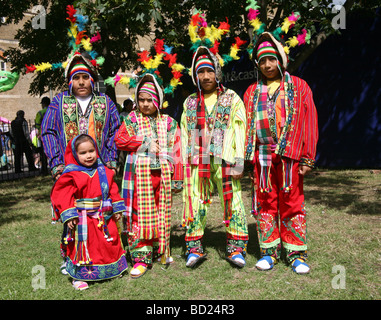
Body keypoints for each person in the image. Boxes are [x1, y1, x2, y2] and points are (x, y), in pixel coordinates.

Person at [244, 32, 319, 274]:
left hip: (290, 156)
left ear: (281, 59)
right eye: (262, 61)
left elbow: (309, 122)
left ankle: (296, 254)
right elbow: (246, 125)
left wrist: (308, 156)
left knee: (292, 203)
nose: (267, 65)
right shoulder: (252, 92)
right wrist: (248, 160)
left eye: (271, 59)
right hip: (263, 157)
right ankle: (269, 252)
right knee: (265, 203)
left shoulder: (300, 86)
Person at [41, 52, 121, 273]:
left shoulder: (105, 102)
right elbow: (47, 131)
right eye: (76, 78)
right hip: (70, 170)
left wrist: (112, 160)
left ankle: (104, 256)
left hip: (100, 170)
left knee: (101, 214)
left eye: (85, 77)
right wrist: (57, 164)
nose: (81, 82)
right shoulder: (59, 102)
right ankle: (71, 257)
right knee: (72, 214)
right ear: (70, 81)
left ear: (92, 79)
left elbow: (115, 130)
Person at [180, 46, 249, 268]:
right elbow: (183, 133)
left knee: (233, 201)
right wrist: (183, 164)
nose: (206, 76)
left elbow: (240, 129)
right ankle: (193, 247)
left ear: (217, 73)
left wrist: (239, 161)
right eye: (201, 72)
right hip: (197, 161)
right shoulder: (190, 101)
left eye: (210, 71)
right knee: (194, 200)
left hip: (225, 158)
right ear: (195, 76)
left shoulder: (231, 98)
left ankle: (236, 247)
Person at [115, 73, 183, 278]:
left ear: (158, 100)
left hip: (161, 176)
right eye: (141, 100)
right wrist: (144, 142)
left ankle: (160, 250)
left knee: (161, 212)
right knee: (139, 214)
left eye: (149, 100)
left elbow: (178, 149)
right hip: (140, 177)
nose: (145, 104)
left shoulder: (170, 123)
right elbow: (120, 140)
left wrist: (177, 177)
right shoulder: (133, 119)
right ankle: (141, 256)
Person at [51, 134, 128, 290]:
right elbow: (63, 195)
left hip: (104, 216)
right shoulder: (70, 174)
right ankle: (79, 276)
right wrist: (69, 214)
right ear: (74, 154)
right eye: (83, 153)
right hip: (83, 218)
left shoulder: (104, 170)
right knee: (86, 246)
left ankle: (111, 268)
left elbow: (112, 189)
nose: (89, 156)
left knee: (109, 242)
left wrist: (117, 207)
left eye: (91, 151)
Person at [34, 96, 50, 174]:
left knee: (43, 153)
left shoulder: (40, 113)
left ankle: (44, 169)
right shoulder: (53, 111)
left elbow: (37, 125)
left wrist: (37, 134)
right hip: (53, 134)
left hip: (43, 135)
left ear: (43, 104)